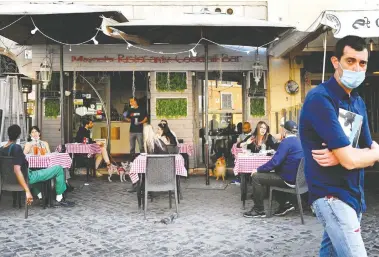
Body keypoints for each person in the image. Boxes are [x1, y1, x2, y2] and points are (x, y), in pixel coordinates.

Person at [299, 36, 379, 257]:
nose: (357, 68)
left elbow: (367, 148)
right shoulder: (320, 99)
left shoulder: (358, 102)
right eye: (350, 61)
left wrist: (347, 155)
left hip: (354, 194)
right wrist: (355, 156)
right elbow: (360, 156)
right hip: (331, 195)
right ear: (335, 62)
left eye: (362, 63)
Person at [0, 124, 74, 207]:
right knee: (59, 168)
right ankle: (59, 199)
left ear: (8, 134)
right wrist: (27, 190)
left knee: (34, 170)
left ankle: (41, 197)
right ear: (18, 135)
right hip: (27, 177)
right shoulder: (17, 148)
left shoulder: (2, 149)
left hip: (8, 179)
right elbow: (17, 170)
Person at [243, 120, 303, 218]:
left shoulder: (286, 142)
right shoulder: (299, 141)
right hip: (298, 178)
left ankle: (259, 210)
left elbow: (274, 162)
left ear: (284, 131)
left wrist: (258, 169)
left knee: (256, 177)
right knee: (273, 173)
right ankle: (285, 204)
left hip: (287, 179)